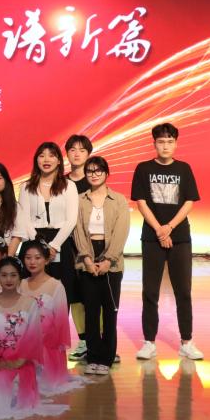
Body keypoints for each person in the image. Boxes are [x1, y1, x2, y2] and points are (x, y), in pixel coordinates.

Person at [131, 123, 203, 361]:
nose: (165, 146)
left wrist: (169, 227)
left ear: (176, 143)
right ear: (154, 144)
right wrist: (159, 230)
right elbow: (141, 202)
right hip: (152, 238)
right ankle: (149, 342)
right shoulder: (143, 168)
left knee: (183, 291)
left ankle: (187, 342)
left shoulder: (184, 168)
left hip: (180, 237)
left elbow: (189, 201)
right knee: (150, 291)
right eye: (161, 142)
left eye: (170, 141)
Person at [0, 257, 66, 420]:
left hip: (21, 363)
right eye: (4, 275)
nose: (8, 279)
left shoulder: (30, 303)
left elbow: (33, 337)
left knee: (8, 384)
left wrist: (19, 362)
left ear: (20, 277)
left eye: (13, 275)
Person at [19, 141, 84, 360]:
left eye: (51, 155)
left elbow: (71, 219)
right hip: (33, 245)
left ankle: (55, 350)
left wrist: (53, 246)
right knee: (31, 295)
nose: (46, 159)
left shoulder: (69, 186)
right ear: (36, 160)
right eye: (41, 155)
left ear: (58, 160)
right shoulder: (26, 186)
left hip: (60, 244)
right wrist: (40, 246)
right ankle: (31, 349)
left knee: (59, 296)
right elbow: (24, 218)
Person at [75, 156, 131, 375]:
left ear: (107, 173)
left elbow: (121, 231)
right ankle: (93, 356)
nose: (94, 174)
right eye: (90, 171)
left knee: (109, 311)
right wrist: (87, 259)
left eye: (98, 171)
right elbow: (78, 231)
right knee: (90, 311)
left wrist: (108, 260)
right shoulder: (80, 200)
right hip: (87, 257)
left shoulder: (118, 200)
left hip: (112, 261)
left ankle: (106, 358)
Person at [20, 240, 76, 393]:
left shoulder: (56, 286)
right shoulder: (21, 284)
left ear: (46, 260)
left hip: (47, 344)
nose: (32, 262)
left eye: (37, 258)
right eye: (28, 258)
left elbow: (61, 322)